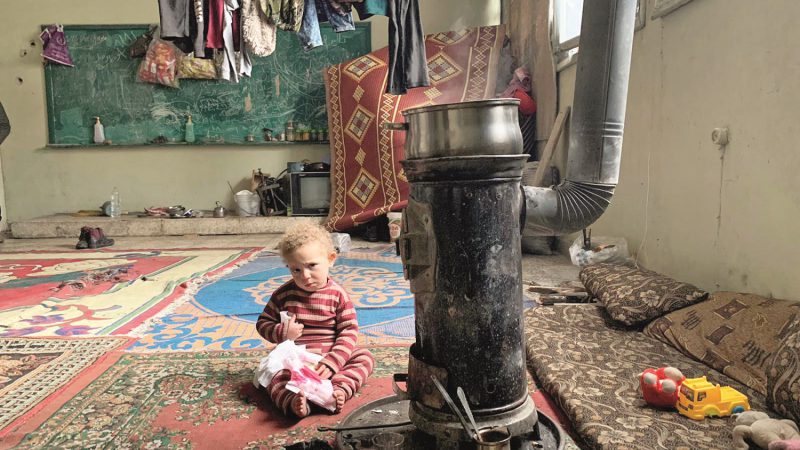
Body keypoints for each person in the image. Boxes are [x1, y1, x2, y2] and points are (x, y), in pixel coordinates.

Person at [255, 222, 375, 418]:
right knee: (270, 370)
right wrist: (282, 333)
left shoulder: (338, 295)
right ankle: (292, 401)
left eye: (312, 266)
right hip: (296, 361)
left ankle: (339, 390)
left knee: (364, 357)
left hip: (328, 359)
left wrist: (332, 362)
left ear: (331, 259)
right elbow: (263, 323)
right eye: (296, 270)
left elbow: (349, 331)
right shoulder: (283, 295)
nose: (305, 276)